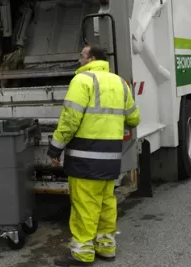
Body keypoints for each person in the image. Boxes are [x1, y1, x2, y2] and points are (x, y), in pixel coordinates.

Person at [47, 44, 141, 266]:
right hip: (110, 159)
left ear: (91, 59)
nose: (79, 60)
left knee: (84, 206)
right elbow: (134, 119)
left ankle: (82, 253)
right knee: (106, 203)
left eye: (81, 56)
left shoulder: (82, 81)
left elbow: (70, 120)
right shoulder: (119, 82)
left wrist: (55, 148)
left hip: (84, 156)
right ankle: (106, 247)